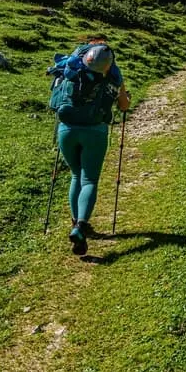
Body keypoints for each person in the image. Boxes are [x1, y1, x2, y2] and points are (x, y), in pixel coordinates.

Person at [53, 41, 130, 255]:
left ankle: (74, 222)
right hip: (95, 132)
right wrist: (124, 97)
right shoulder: (114, 75)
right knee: (89, 179)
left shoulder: (73, 68)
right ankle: (80, 225)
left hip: (67, 130)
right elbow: (123, 106)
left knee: (76, 175)